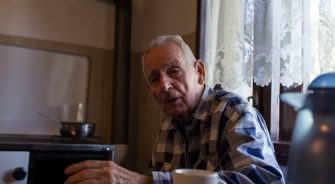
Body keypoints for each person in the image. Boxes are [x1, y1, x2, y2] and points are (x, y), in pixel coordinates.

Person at [64, 35, 285, 184]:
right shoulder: (168, 127)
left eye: (174, 71)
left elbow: (264, 180)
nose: (165, 85)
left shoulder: (234, 112)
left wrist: (142, 181)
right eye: (154, 79)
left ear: (199, 72)